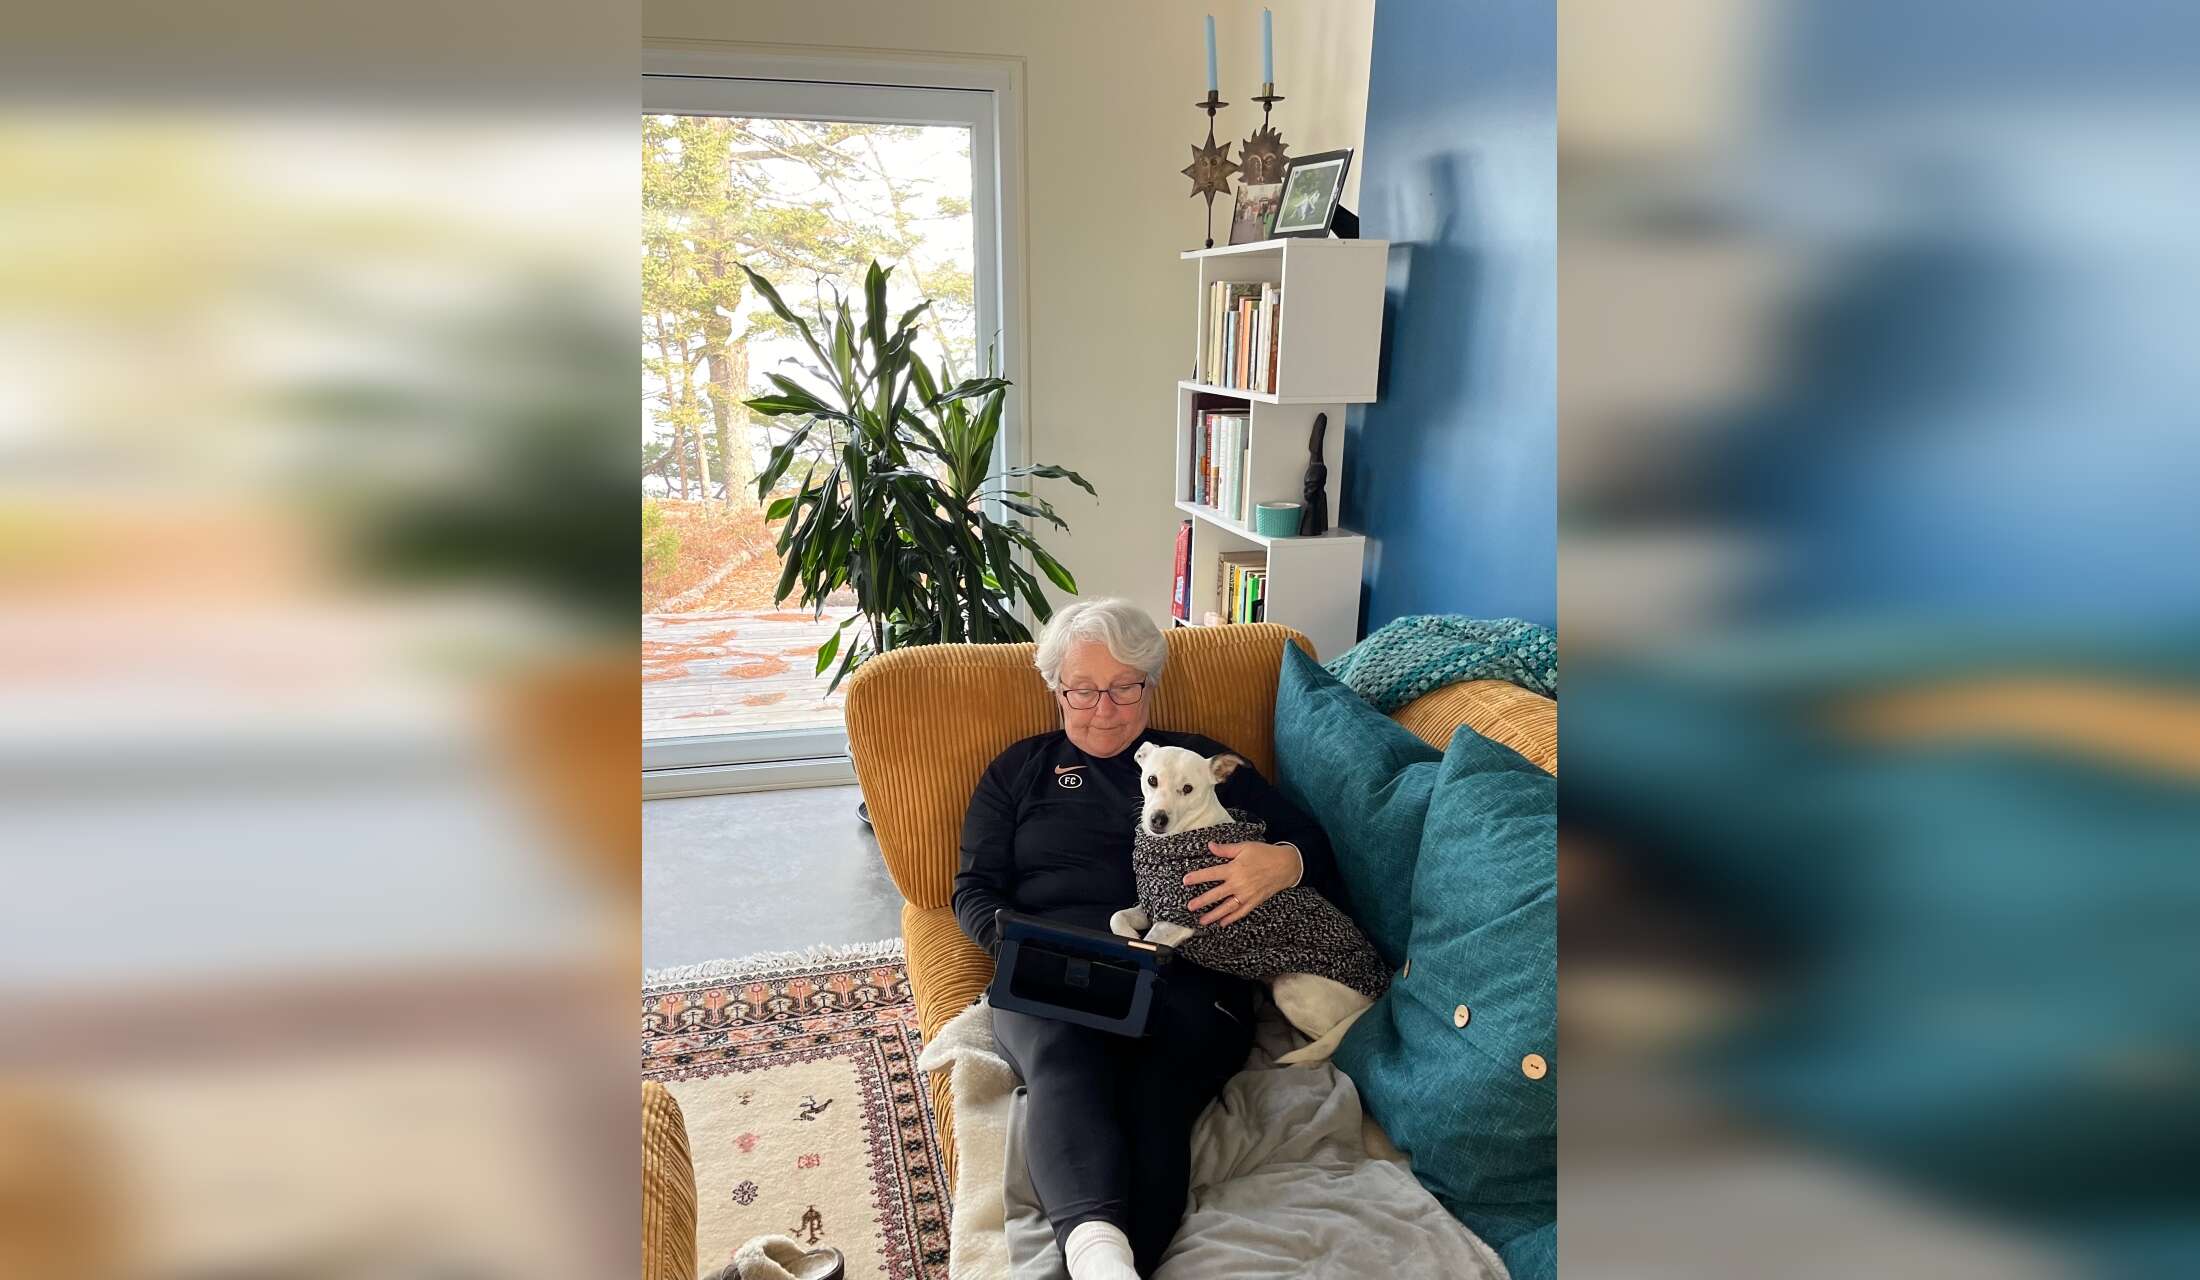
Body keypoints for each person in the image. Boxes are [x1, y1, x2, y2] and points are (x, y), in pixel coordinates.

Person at [954, 598, 1340, 1279]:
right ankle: (1101, 1259)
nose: (1104, 709)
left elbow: (1312, 842)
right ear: (1055, 688)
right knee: (1067, 1060)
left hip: (1189, 971)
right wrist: (1017, 944)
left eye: (1125, 687)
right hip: (1056, 970)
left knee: (1158, 1091)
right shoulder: (1019, 770)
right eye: (1083, 689)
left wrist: (1283, 862)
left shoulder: (1198, 763)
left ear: (1150, 686)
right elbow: (974, 889)